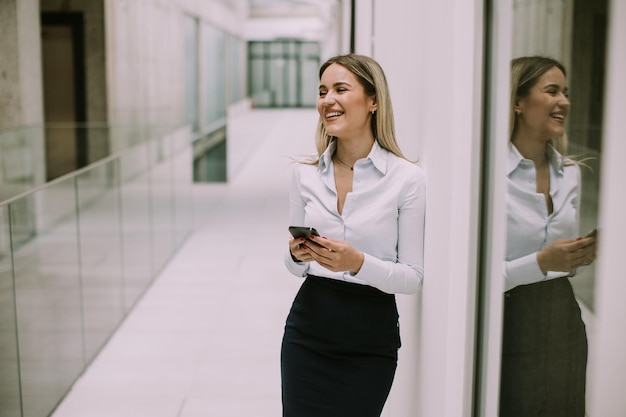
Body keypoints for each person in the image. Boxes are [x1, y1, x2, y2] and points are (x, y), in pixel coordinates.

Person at [281, 54, 426, 417]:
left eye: (340, 89)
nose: (327, 100)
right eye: (322, 91)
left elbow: (412, 277)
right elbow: (292, 264)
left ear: (373, 100)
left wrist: (358, 263)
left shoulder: (407, 179)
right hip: (308, 331)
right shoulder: (304, 176)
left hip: (369, 340)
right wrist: (298, 255)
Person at [499, 56, 597, 417]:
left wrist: (579, 255)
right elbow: (473, 277)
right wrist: (541, 263)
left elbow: (560, 267)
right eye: (552, 91)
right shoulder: (489, 174)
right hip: (505, 320)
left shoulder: (570, 173)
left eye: (566, 93)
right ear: (517, 102)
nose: (565, 102)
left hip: (563, 318)